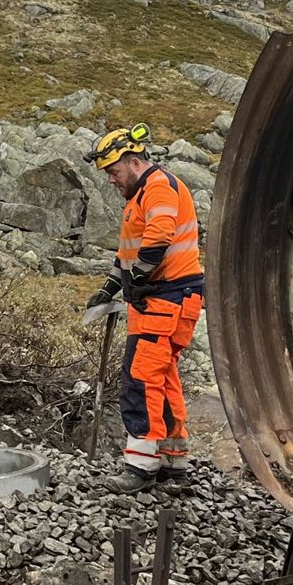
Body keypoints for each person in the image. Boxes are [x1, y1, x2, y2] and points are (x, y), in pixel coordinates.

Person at [83, 122, 204, 486]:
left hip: (165, 300)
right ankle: (172, 461)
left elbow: (158, 238)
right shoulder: (142, 195)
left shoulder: (158, 188)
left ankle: (141, 466)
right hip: (167, 299)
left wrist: (136, 279)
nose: (111, 180)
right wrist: (111, 286)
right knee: (163, 379)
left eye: (114, 171)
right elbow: (129, 252)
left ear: (134, 161)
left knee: (141, 378)